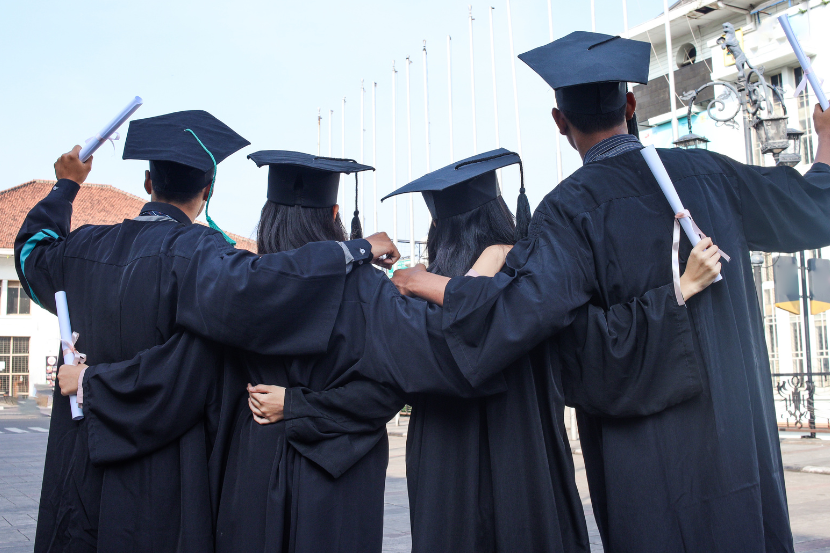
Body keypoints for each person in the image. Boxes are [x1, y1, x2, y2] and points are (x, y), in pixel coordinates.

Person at [392, 31, 830, 553]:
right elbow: (815, 209)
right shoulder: (711, 173)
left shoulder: (566, 211)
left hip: (646, 458)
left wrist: (423, 282)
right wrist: (825, 137)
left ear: (560, 123)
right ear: (630, 104)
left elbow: (517, 315)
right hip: (739, 439)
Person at [62, 150, 495, 553]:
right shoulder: (366, 289)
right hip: (336, 479)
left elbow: (180, 369)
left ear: (268, 217)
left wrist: (91, 381)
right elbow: (391, 389)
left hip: (249, 469)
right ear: (335, 215)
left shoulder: (239, 287)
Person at [16, 112, 399, 553]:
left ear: (147, 182)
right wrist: (355, 249)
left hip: (81, 464)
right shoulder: (199, 254)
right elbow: (267, 282)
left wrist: (67, 185)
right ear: (207, 190)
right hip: (161, 472)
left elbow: (31, 252)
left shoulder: (81, 247)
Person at [378, 147, 722, 553]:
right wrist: (681, 289)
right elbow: (604, 339)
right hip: (525, 460)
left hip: (443, 469)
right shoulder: (533, 291)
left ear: (436, 227)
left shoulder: (410, 305)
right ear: (501, 214)